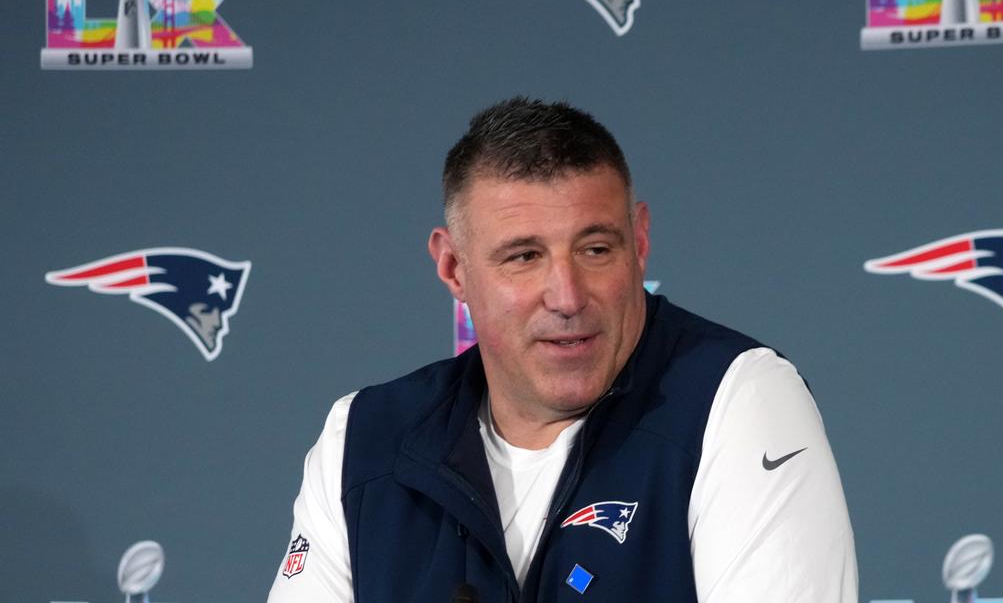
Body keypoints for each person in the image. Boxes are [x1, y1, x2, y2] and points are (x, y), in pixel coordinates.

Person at [267, 97, 857, 603]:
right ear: (453, 266)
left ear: (641, 240)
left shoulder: (737, 400)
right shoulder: (363, 441)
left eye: (596, 249)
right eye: (524, 257)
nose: (567, 296)